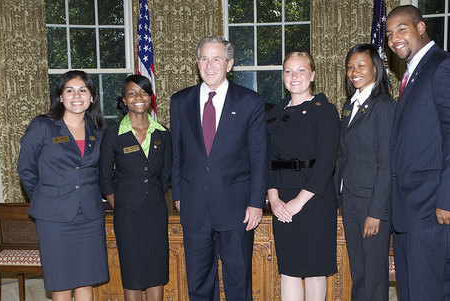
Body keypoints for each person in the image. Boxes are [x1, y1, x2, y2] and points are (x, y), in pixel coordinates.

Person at [386, 5, 450, 300]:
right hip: (411, 209)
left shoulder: (445, 67)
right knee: (413, 292)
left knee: (433, 291)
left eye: (402, 29)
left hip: (437, 209)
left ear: (421, 27)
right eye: (389, 34)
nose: (394, 38)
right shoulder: (413, 74)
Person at [169, 35, 267, 300]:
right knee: (199, 282)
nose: (209, 65)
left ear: (230, 63)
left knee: (238, 280)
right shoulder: (180, 101)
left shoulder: (250, 102)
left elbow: (259, 157)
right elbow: (177, 152)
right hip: (194, 205)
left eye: (216, 59)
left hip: (237, 209)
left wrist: (256, 202)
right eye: (203, 58)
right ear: (197, 63)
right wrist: (178, 195)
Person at [17, 70, 109, 300]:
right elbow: (25, 169)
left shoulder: (98, 131)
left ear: (92, 97)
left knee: (86, 279)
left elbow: (99, 172)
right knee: (61, 282)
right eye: (69, 90)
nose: (76, 96)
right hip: (54, 218)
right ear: (60, 96)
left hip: (89, 216)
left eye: (83, 90)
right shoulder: (42, 126)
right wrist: (45, 197)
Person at [267, 51, 340, 301]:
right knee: (289, 268)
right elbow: (267, 161)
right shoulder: (273, 113)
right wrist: (274, 200)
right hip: (282, 198)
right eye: (288, 71)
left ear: (312, 74)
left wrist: (299, 201)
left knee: (314, 270)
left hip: (314, 199)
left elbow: (327, 162)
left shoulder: (325, 110)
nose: (294, 76)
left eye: (300, 70)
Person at [99, 75, 171, 300]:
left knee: (156, 271)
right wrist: (120, 204)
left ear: (150, 98)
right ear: (124, 100)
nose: (138, 97)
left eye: (143, 92)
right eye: (132, 93)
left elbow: (167, 175)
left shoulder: (163, 133)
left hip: (156, 212)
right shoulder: (113, 135)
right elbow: (104, 177)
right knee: (132, 271)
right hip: (127, 214)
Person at [334, 44, 395, 301]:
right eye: (350, 67)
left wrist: (376, 213)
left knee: (374, 274)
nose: (354, 71)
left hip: (372, 203)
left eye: (361, 65)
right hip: (349, 198)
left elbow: (387, 163)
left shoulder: (384, 106)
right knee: (358, 270)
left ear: (375, 68)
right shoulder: (350, 104)